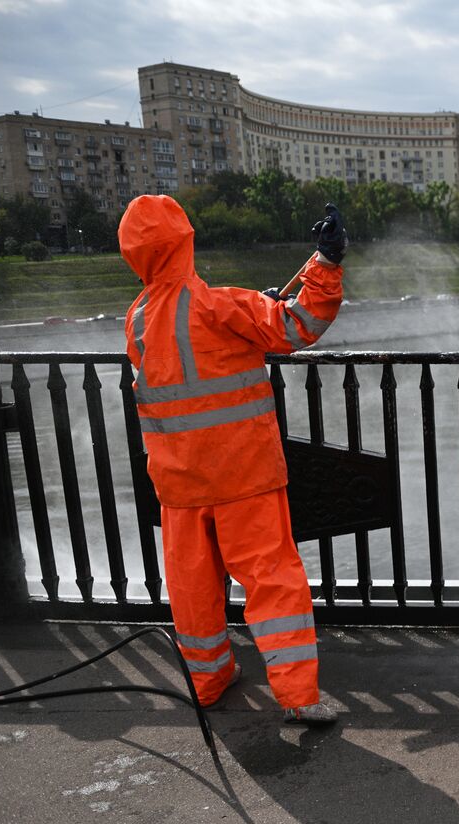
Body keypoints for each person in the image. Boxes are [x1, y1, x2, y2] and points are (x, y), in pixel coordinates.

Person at [120, 194, 347, 725]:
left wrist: (251, 312)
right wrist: (327, 263)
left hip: (178, 483)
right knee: (272, 582)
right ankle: (298, 696)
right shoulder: (222, 305)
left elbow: (183, 363)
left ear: (135, 255)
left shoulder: (136, 319)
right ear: (184, 243)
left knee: (193, 590)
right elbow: (297, 327)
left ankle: (207, 680)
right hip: (244, 474)